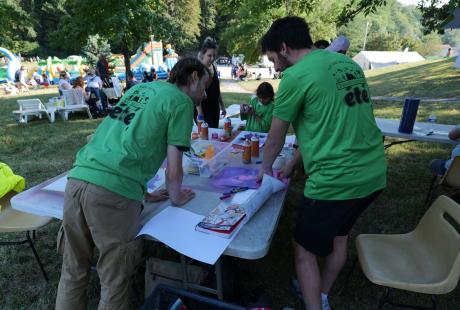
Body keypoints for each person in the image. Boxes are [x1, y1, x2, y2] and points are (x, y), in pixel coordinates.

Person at [55, 57, 210, 310]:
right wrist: (177, 196)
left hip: (78, 180)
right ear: (193, 77)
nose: (204, 95)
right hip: (111, 195)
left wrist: (144, 192)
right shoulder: (181, 102)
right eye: (204, 85)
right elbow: (174, 171)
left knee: (73, 271)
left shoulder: (141, 88)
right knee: (114, 280)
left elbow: (128, 138)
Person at [258, 17, 387, 310]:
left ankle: (314, 304)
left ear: (284, 47)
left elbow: (275, 137)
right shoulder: (349, 65)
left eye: (273, 59)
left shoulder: (296, 76)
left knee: (302, 249)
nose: (275, 68)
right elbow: (329, 127)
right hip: (374, 175)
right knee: (339, 237)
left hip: (335, 180)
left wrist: (264, 171)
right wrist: (291, 165)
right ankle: (321, 295)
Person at [196, 37, 226, 128]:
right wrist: (200, 115)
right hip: (204, 110)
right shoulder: (198, 70)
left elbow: (217, 89)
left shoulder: (213, 67)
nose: (212, 58)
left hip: (214, 108)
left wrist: (222, 106)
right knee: (206, 137)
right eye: (209, 56)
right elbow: (196, 94)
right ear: (203, 54)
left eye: (214, 56)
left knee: (214, 135)